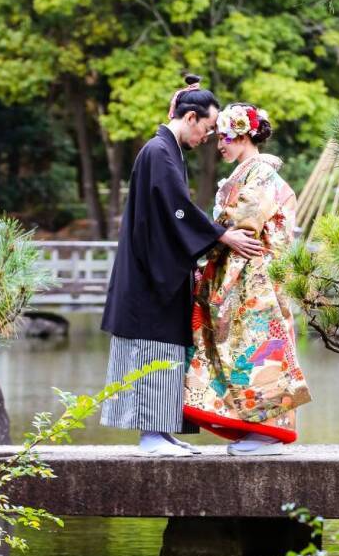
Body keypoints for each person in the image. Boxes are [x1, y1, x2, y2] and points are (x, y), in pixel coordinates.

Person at [100, 76, 264, 457]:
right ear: (191, 117)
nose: (207, 138)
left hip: (163, 268)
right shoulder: (159, 152)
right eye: (207, 129)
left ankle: (161, 430)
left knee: (167, 350)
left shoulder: (166, 151)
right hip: (149, 274)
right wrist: (223, 236)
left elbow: (174, 212)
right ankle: (150, 435)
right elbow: (177, 210)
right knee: (150, 349)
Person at [183, 102, 311, 455]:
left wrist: (211, 238)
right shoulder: (246, 173)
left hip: (256, 278)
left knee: (260, 350)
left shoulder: (261, 175)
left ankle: (269, 431)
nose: (219, 144)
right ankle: (254, 426)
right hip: (242, 274)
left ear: (242, 134)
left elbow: (244, 222)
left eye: (224, 137)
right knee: (243, 350)